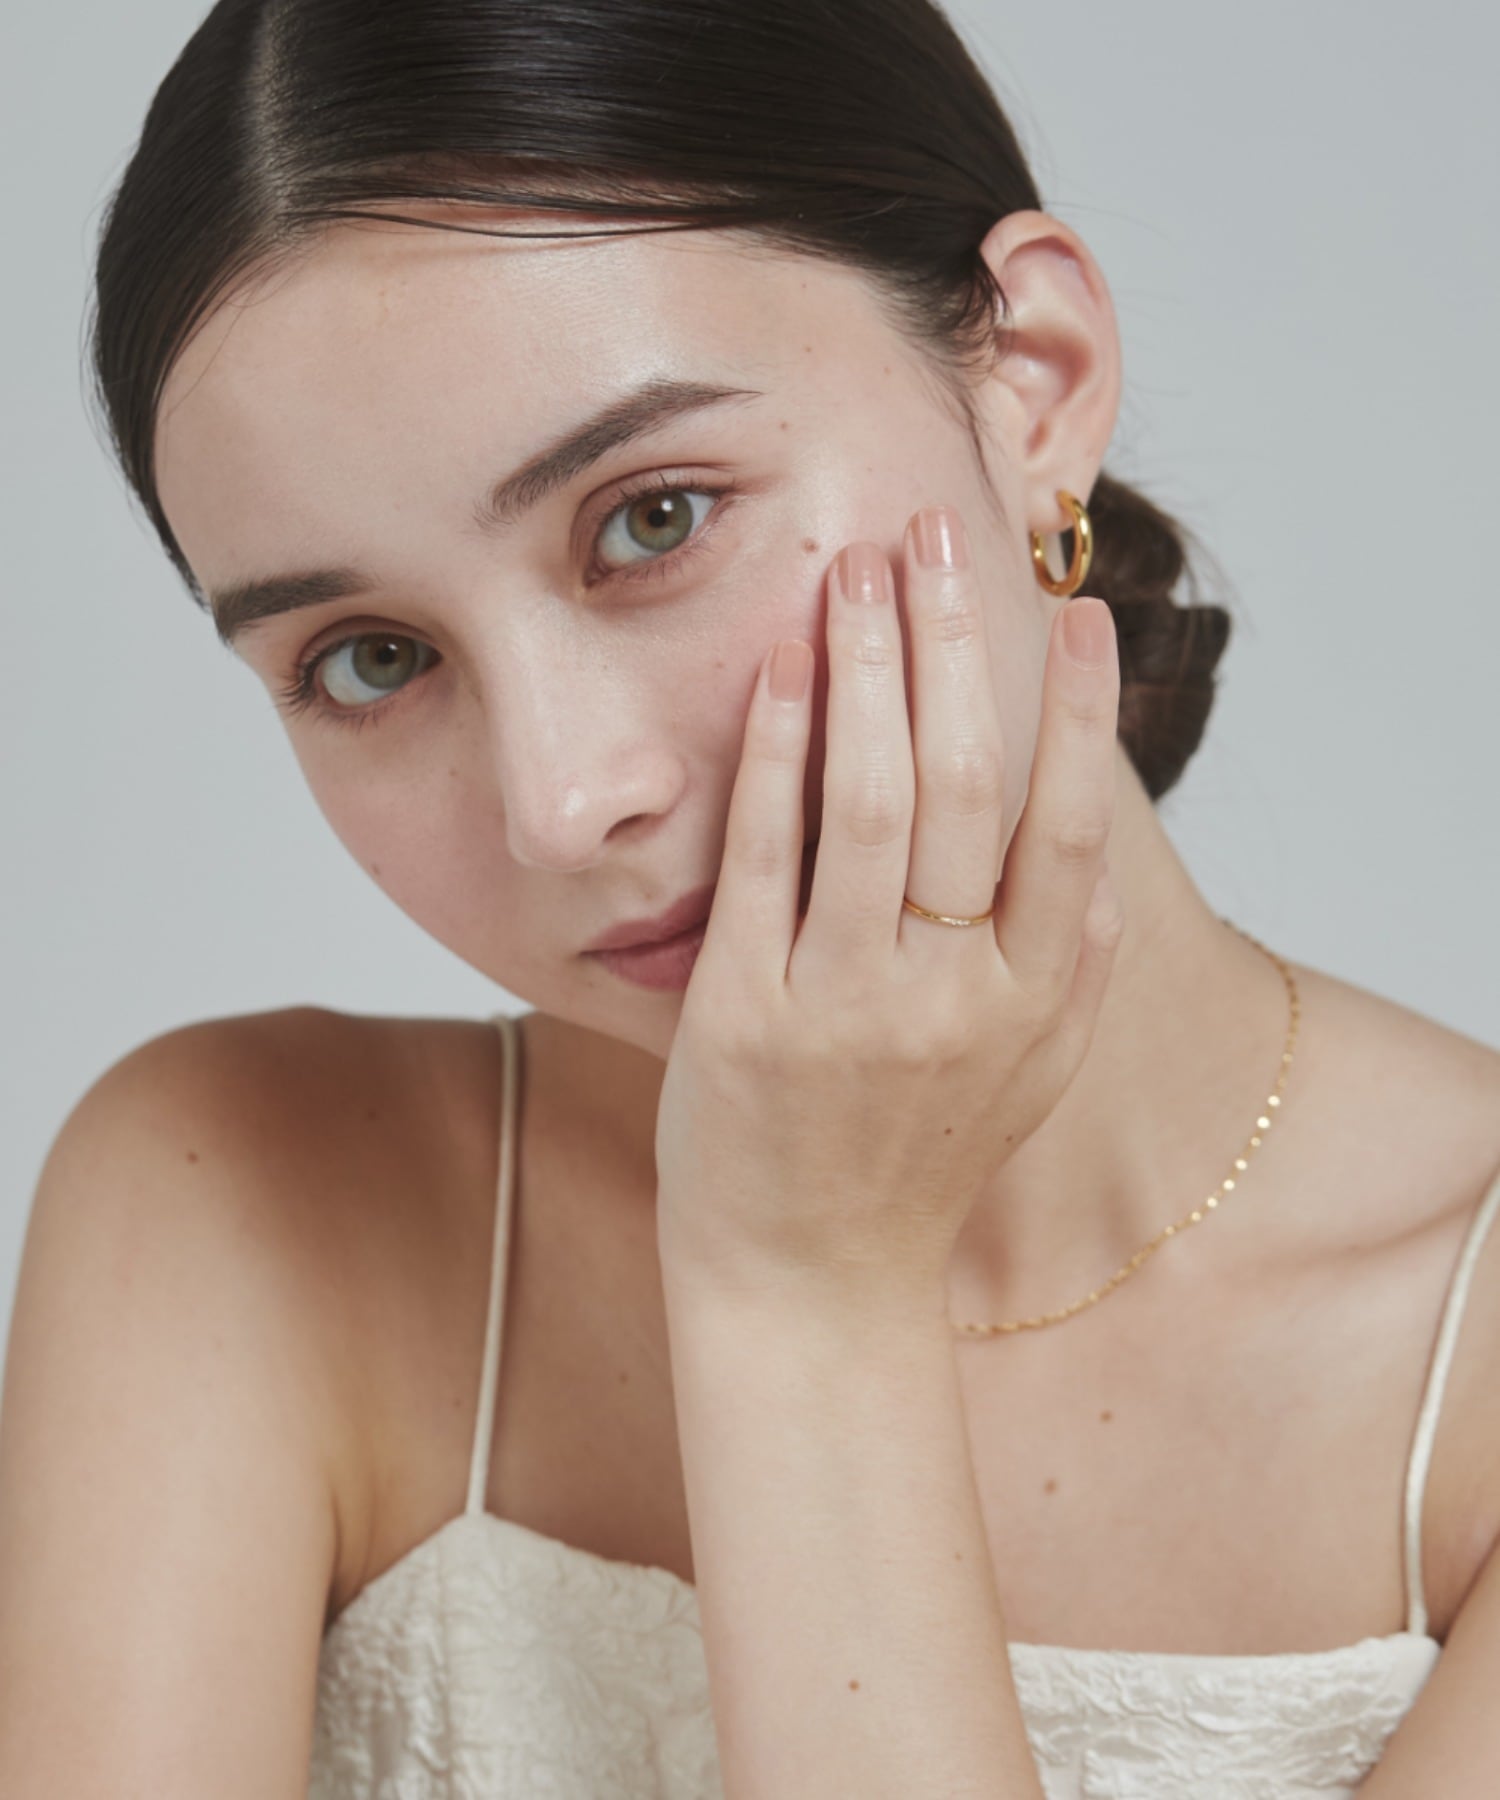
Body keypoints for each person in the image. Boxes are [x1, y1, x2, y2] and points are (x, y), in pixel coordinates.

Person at [1, 0, 1497, 1794]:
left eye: (653, 518)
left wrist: (808, 1295)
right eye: (371, 656)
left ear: (1033, 383)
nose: (564, 804)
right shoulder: (242, 1205)